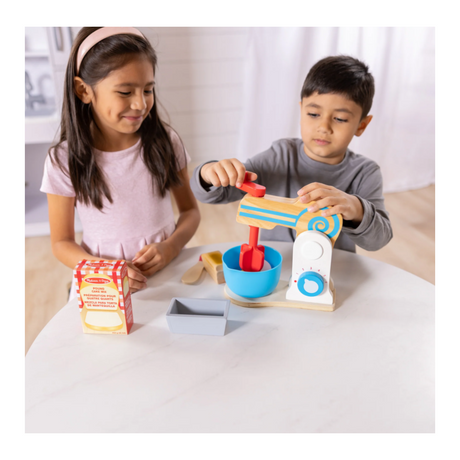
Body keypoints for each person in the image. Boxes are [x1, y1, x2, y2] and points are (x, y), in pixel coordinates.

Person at [41, 27, 200, 297]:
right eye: (125, 92)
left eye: (148, 90)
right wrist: (104, 269)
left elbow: (190, 212)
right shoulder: (63, 160)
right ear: (83, 90)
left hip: (169, 273)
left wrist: (171, 247)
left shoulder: (166, 141)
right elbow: (61, 243)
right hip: (104, 285)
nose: (140, 104)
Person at [190, 55, 392, 253]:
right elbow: (217, 194)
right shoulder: (279, 156)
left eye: (339, 118)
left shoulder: (365, 172)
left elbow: (379, 240)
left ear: (361, 125)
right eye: (313, 114)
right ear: (301, 110)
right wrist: (209, 173)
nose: (323, 127)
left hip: (330, 269)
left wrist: (356, 209)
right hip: (276, 266)